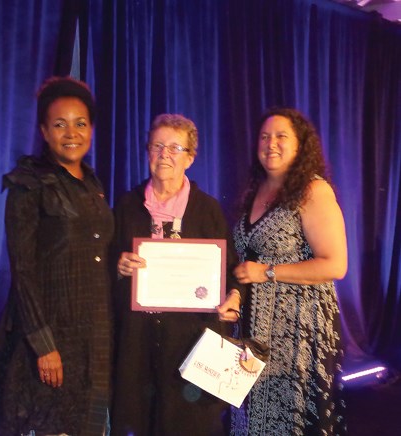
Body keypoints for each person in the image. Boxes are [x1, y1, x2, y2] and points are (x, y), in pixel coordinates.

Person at [0, 76, 114, 435]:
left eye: (80, 123)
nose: (71, 133)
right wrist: (44, 346)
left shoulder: (93, 184)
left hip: (95, 334)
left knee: (91, 425)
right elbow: (23, 271)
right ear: (44, 131)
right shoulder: (28, 184)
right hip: (51, 337)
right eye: (59, 124)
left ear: (91, 129)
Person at [111, 113, 243, 435]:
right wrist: (118, 265)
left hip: (191, 342)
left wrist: (235, 297)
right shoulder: (127, 206)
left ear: (190, 158)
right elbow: (105, 263)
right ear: (147, 152)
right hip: (137, 343)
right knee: (138, 421)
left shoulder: (208, 209)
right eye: (157, 145)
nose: (164, 154)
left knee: (188, 425)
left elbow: (231, 270)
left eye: (175, 147)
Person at [227, 107, 348, 435]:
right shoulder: (254, 191)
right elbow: (245, 261)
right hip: (253, 328)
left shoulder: (313, 191)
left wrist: (266, 272)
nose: (271, 143)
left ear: (300, 145)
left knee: (292, 421)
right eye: (265, 137)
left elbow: (335, 264)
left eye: (282, 136)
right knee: (252, 418)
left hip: (299, 332)